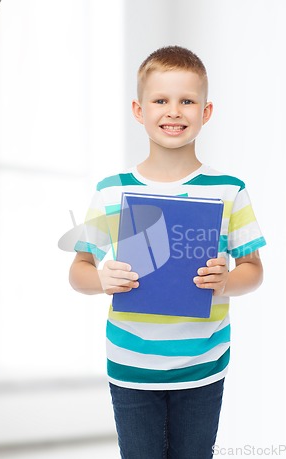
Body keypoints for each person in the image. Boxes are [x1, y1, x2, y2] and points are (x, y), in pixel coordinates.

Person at [69, 45, 266, 459]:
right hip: (131, 366)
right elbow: (79, 269)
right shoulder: (112, 189)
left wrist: (227, 281)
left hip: (203, 364)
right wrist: (101, 278)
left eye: (187, 101)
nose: (174, 111)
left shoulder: (229, 189)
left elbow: (253, 268)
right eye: (161, 100)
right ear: (139, 111)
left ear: (206, 112)